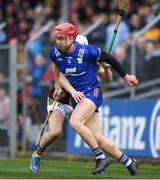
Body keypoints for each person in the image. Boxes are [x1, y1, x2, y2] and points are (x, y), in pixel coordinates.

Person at [48, 23, 139, 175]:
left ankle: (100, 157)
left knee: (75, 122)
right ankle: (129, 162)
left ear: (71, 39)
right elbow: (58, 70)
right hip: (78, 97)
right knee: (98, 137)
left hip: (92, 92)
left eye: (61, 38)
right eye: (57, 38)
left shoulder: (87, 51)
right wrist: (59, 87)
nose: (58, 41)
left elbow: (110, 58)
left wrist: (126, 76)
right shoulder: (55, 53)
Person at [29, 34, 113, 174]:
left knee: (90, 133)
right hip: (60, 98)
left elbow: (107, 79)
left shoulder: (91, 61)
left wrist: (108, 68)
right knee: (55, 132)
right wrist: (57, 86)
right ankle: (36, 155)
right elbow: (57, 71)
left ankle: (100, 161)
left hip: (79, 100)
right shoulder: (63, 56)